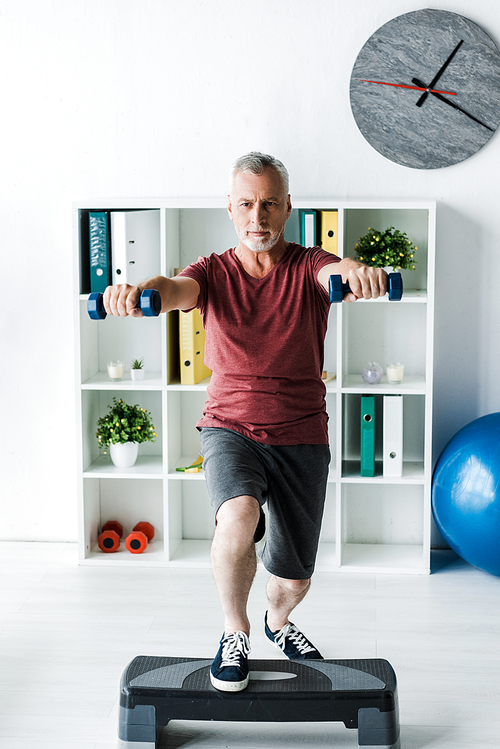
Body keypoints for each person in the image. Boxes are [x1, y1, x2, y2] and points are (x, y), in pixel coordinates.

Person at [103, 152, 387, 693]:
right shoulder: (211, 273)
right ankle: (234, 633)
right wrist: (141, 295)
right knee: (236, 516)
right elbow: (173, 289)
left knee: (293, 579)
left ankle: (275, 623)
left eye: (270, 204)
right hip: (230, 426)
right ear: (230, 209)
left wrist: (360, 274)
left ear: (287, 209)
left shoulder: (307, 265)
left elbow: (339, 272)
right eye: (247, 204)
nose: (259, 216)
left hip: (302, 430)